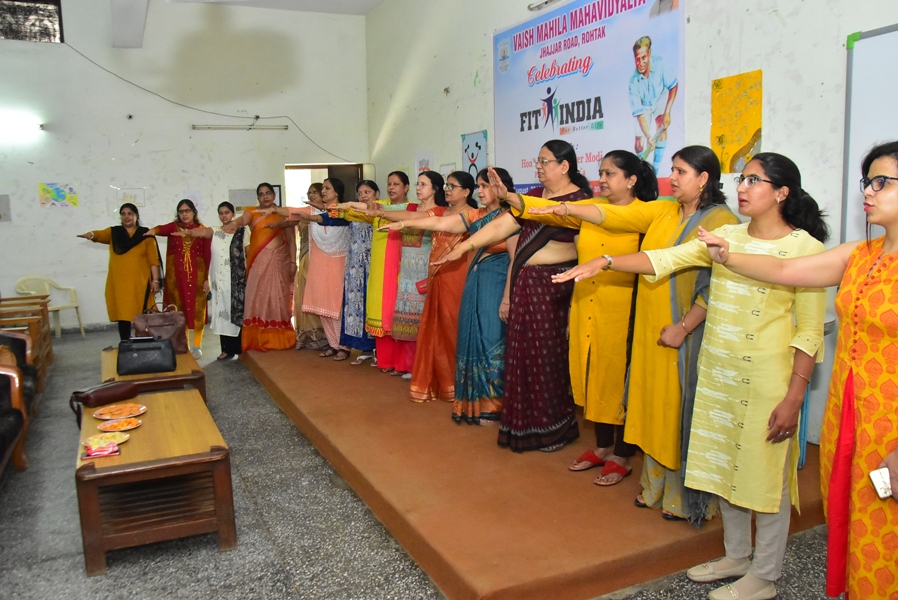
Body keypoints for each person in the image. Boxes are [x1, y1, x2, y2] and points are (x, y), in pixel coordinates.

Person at [555, 152, 828, 600]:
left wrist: (795, 396)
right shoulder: (727, 236)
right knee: (722, 469)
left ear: (782, 192)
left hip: (767, 380)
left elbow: (810, 332)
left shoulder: (807, 250)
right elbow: (666, 258)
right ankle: (737, 555)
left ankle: (765, 574)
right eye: (742, 179)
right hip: (717, 373)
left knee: (765, 480)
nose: (742, 187)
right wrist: (605, 262)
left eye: (754, 180)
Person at [697, 141, 898, 600]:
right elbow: (785, 271)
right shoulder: (861, 254)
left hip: (891, 420)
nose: (868, 191)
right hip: (852, 411)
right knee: (858, 517)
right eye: (867, 182)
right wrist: (727, 254)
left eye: (881, 182)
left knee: (886, 525)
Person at [527, 145, 739, 518]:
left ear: (704, 178)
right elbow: (612, 214)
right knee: (651, 406)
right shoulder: (665, 210)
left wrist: (684, 327)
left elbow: (718, 286)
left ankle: (683, 500)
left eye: (681, 171)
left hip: (687, 332)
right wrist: (565, 209)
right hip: (651, 326)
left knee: (679, 410)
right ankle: (654, 486)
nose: (672, 178)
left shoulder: (721, 220)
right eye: (672, 170)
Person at [503, 150, 658, 485]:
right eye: (600, 173)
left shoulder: (646, 215)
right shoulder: (592, 209)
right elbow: (552, 214)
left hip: (623, 310)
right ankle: (602, 447)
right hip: (587, 305)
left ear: (631, 180)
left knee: (617, 379)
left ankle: (622, 454)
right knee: (592, 374)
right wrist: (512, 198)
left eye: (609, 174)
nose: (601, 180)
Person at [437, 140, 587, 452]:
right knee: (521, 358)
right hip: (525, 285)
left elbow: (576, 246)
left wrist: (509, 197)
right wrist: (463, 248)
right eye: (538, 160)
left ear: (564, 166)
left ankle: (554, 428)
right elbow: (501, 227)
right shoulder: (535, 197)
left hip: (553, 287)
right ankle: (523, 426)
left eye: (545, 161)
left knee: (547, 359)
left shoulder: (579, 201)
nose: (538, 166)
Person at [383, 168, 514, 422]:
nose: (480, 191)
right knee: (471, 337)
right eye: (479, 186)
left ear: (501, 187)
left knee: (492, 339)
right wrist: (404, 223)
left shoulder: (511, 217)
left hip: (496, 283)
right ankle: (474, 401)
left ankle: (494, 404)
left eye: (485, 186)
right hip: (474, 279)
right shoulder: (475, 215)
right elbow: (440, 223)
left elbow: (515, 259)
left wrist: (507, 297)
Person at [380, 171, 478, 402]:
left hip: (457, 276)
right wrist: (381, 213)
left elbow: (433, 223)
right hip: (436, 275)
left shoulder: (472, 214)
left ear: (466, 192)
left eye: (453, 186)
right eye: (447, 186)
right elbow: (414, 215)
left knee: (453, 328)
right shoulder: (442, 210)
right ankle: (442, 382)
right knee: (435, 329)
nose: (447, 190)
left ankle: (460, 382)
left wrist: (402, 223)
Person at [329, 172, 418, 373]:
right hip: (378, 267)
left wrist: (348, 205)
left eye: (396, 184)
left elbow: (368, 208)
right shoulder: (380, 206)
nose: (392, 187)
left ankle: (403, 362)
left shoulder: (412, 209)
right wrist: (341, 208)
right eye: (389, 183)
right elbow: (359, 211)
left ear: (406, 187)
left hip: (399, 266)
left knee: (397, 312)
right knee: (379, 311)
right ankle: (385, 360)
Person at [221, 183, 296, 352]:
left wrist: (293, 262)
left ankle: (279, 338)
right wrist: (235, 223)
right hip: (258, 262)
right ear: (258, 197)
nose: (265, 196)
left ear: (274, 195)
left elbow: (291, 240)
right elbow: (243, 220)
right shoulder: (252, 212)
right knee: (257, 297)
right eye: (261, 194)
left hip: (280, 261)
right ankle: (258, 338)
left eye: (268, 193)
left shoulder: (283, 213)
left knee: (277, 298)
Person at [170, 202, 248, 360]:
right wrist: (188, 233)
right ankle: (226, 350)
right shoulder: (216, 231)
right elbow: (202, 232)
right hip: (219, 280)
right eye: (221, 213)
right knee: (222, 314)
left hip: (237, 281)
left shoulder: (243, 231)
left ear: (233, 214)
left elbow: (248, 252)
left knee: (237, 312)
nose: (224, 216)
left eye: (227, 212)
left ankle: (240, 350)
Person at [77, 203, 161, 340]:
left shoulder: (146, 234)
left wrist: (155, 280)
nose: (126, 217)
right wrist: (91, 235)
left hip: (139, 283)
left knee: (144, 313)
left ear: (136, 216)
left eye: (130, 213)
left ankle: (145, 343)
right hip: (119, 283)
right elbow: (100, 235)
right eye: (123, 214)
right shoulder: (114, 233)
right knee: (123, 313)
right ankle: (125, 342)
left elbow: (154, 261)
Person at [145, 199, 211, 358]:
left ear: (194, 212)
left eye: (187, 211)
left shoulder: (203, 230)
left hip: (197, 277)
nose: (184, 214)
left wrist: (207, 278)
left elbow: (208, 255)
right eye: (181, 211)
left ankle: (197, 346)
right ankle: (183, 344)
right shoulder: (174, 227)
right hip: (176, 278)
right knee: (179, 310)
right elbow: (160, 229)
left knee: (198, 311)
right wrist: (152, 231)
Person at [629, 35, 677, 174]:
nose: (640, 62)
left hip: (660, 97)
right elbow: (640, 115)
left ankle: (654, 173)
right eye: (637, 59)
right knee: (639, 145)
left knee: (662, 125)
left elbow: (673, 86)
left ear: (649, 53)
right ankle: (643, 173)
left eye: (643, 57)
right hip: (645, 106)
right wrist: (648, 136)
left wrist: (667, 112)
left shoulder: (661, 65)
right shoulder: (633, 82)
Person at [295, 183, 329, 351]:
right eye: (309, 192)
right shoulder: (304, 214)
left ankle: (323, 335)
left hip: (321, 260)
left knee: (318, 295)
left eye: (315, 191)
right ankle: (306, 334)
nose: (312, 195)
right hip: (305, 258)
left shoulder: (328, 213)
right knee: (303, 294)